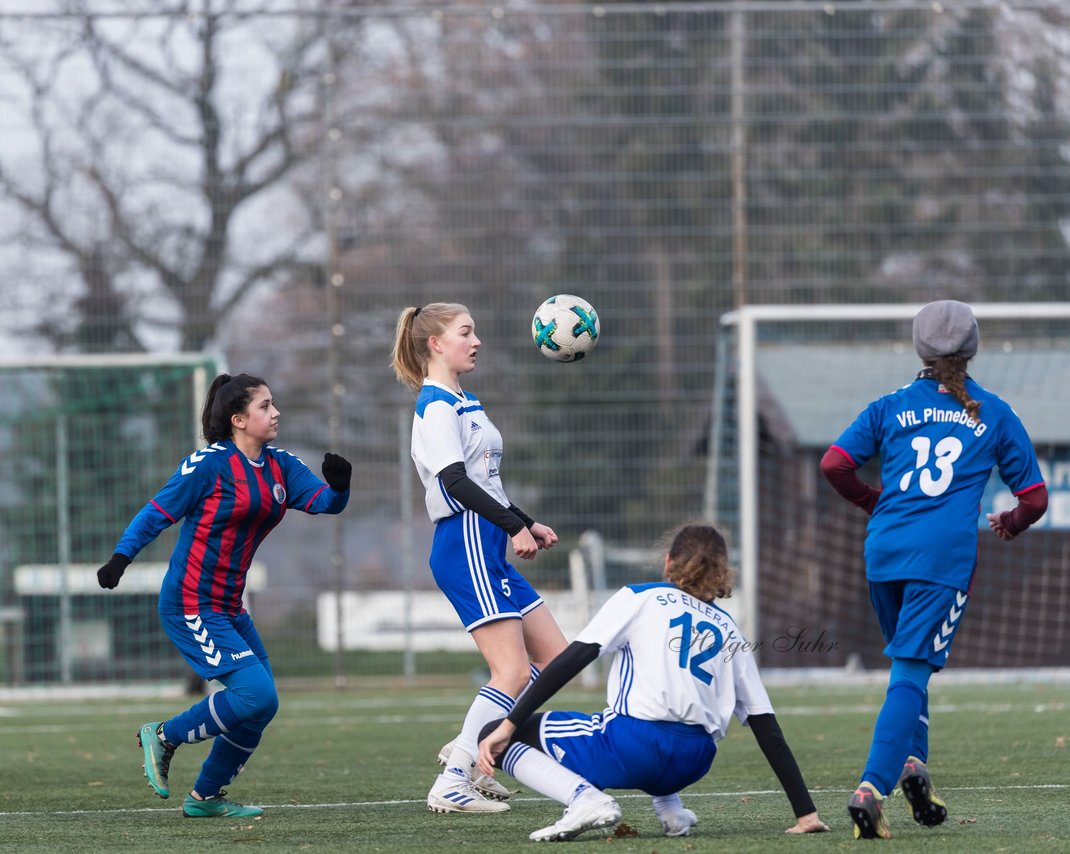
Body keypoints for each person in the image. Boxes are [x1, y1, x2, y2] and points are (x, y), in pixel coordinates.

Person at [821, 300, 1046, 840]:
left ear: (919, 349)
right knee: (911, 671)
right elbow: (1035, 499)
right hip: (941, 560)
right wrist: (1011, 523)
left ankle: (912, 764)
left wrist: (873, 500)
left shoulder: (889, 406)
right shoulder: (992, 410)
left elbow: (834, 463)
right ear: (972, 350)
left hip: (885, 552)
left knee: (908, 664)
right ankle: (872, 788)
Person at [95, 372, 351, 818]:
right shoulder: (208, 465)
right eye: (265, 406)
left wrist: (340, 485)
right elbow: (156, 513)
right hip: (190, 603)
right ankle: (164, 735)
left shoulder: (281, 466)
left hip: (229, 608)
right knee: (257, 695)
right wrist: (121, 557)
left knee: (258, 705)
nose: (276, 413)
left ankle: (205, 798)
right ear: (238, 419)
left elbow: (324, 503)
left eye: (274, 405)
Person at [477, 524, 830, 842]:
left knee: (494, 735)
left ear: (668, 563)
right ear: (722, 572)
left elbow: (572, 659)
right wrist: (806, 812)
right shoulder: (729, 628)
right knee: (663, 724)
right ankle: (672, 811)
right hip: (694, 761)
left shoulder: (641, 597)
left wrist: (509, 723)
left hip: (634, 746)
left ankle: (585, 800)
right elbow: (766, 726)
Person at [391, 302, 568, 813]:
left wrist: (525, 519)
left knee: (555, 658)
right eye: (466, 332)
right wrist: (513, 526)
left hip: (486, 537)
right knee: (509, 671)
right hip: (465, 541)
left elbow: (484, 481)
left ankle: (473, 744)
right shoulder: (436, 405)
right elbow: (454, 481)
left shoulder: (463, 399)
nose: (477, 341)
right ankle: (453, 779)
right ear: (436, 345)